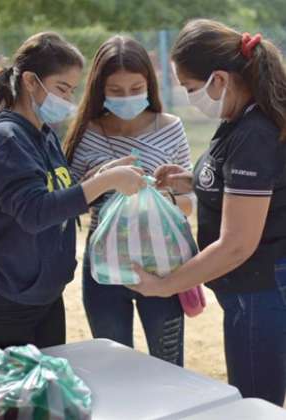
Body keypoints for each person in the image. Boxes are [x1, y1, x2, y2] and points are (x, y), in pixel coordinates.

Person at [0, 32, 146, 349]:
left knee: (43, 396)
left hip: (43, 297)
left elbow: (60, 198)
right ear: (31, 81)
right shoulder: (7, 137)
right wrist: (105, 182)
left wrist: (101, 175)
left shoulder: (43, 134)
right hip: (6, 302)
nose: (67, 100)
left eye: (71, 90)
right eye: (61, 88)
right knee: (10, 398)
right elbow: (35, 212)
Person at [131, 19, 286, 405]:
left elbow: (237, 245)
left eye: (190, 87)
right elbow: (240, 186)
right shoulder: (238, 117)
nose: (189, 97)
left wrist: (167, 284)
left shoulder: (255, 133)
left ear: (220, 79)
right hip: (249, 292)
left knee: (256, 404)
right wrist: (189, 181)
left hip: (262, 292)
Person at [63, 35, 194, 366]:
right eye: (116, 91)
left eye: (136, 88)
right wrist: (102, 177)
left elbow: (189, 204)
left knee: (168, 367)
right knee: (113, 366)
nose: (128, 98)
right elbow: (70, 201)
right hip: (105, 265)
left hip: (163, 263)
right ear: (99, 90)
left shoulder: (171, 128)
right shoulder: (87, 132)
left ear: (149, 83)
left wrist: (170, 193)